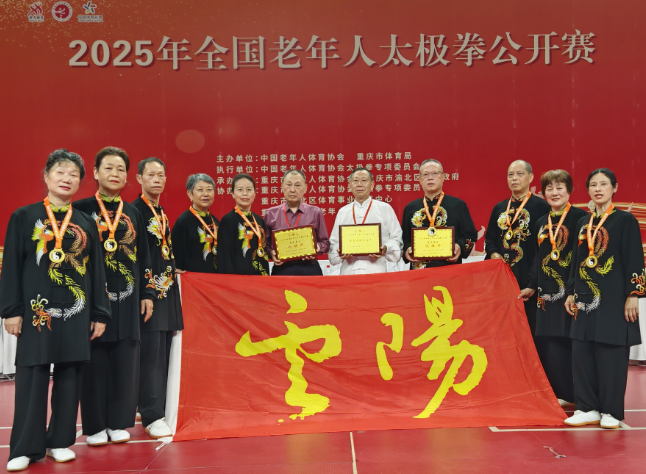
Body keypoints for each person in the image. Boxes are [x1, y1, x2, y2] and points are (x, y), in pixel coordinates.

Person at [0, 150, 110, 471]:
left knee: (70, 375)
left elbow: (97, 272)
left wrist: (99, 313)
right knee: (32, 376)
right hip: (37, 312)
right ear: (46, 176)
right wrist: (11, 310)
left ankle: (59, 441)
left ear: (80, 182)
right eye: (60, 172)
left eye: (73, 174)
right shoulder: (24, 216)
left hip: (76, 312)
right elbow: (11, 267)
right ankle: (24, 447)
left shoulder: (86, 222)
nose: (66, 179)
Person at [74, 146, 155, 447]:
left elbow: (144, 256)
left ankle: (119, 422)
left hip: (129, 297)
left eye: (121, 169)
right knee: (94, 361)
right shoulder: (80, 210)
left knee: (125, 359)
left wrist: (147, 292)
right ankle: (95, 425)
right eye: (108, 168)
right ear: (95, 173)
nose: (115, 174)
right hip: (93, 298)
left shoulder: (134, 212)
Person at [563, 168, 645, 429]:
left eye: (603, 184)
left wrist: (634, 294)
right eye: (593, 185)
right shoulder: (583, 224)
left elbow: (635, 258)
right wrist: (571, 291)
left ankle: (610, 411)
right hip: (584, 299)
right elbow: (575, 262)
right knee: (582, 352)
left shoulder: (625, 220)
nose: (598, 189)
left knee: (611, 352)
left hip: (614, 298)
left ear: (614, 188)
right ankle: (587, 407)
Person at [519, 170, 587, 407]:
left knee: (571, 342)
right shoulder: (541, 222)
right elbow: (538, 257)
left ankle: (578, 394)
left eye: (559, 187)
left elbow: (581, 258)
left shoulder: (581, 218)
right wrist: (531, 285)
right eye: (549, 188)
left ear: (569, 190)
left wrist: (573, 290)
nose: (554, 192)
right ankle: (560, 393)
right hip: (546, 292)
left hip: (571, 292)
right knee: (550, 342)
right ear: (543, 192)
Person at [132, 157, 183, 439]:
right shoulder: (136, 211)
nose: (157, 179)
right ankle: (152, 415)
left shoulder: (159, 211)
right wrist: (146, 292)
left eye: (161, 175)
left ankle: (153, 407)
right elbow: (139, 257)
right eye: (151, 175)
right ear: (139, 178)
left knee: (162, 353)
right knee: (151, 355)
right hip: (150, 294)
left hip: (166, 291)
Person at [485, 160, 550, 337]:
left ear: (531, 177)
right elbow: (489, 238)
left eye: (520, 174)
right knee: (504, 330)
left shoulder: (542, 208)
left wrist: (534, 282)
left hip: (530, 279)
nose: (514, 178)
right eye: (510, 175)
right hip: (503, 280)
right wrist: (493, 253)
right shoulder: (499, 208)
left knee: (531, 330)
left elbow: (544, 248)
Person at [402, 159, 477, 270]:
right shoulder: (410, 208)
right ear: (420, 180)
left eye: (435, 173)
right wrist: (407, 249)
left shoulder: (458, 205)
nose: (430, 178)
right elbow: (404, 238)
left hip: (450, 269)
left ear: (443, 177)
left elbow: (470, 235)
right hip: (419, 271)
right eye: (425, 174)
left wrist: (459, 247)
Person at [328, 167, 403, 274]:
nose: (359, 184)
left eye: (364, 180)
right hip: (349, 271)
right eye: (355, 181)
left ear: (372, 185)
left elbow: (397, 239)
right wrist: (340, 250)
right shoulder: (343, 212)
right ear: (349, 185)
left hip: (376, 270)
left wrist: (386, 248)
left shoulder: (385, 209)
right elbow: (333, 243)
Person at [264, 170, 329, 275]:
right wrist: (271, 253)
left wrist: (316, 248)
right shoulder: (270, 213)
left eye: (297, 185)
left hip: (309, 268)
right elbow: (265, 245)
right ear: (282, 186)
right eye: (289, 185)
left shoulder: (315, 212)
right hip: (282, 269)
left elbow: (325, 242)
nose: (292, 190)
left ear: (305, 188)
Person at [217, 174, 270, 275]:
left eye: (249, 189)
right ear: (232, 194)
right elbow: (225, 258)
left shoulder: (259, 220)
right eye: (240, 190)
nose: (245, 194)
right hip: (239, 279)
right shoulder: (227, 221)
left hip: (261, 277)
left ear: (255, 193)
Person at [171, 174, 219, 273]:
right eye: (200, 190)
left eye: (209, 190)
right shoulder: (183, 222)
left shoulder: (215, 221)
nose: (205, 194)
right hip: (193, 280)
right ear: (190, 194)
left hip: (215, 278)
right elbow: (179, 258)